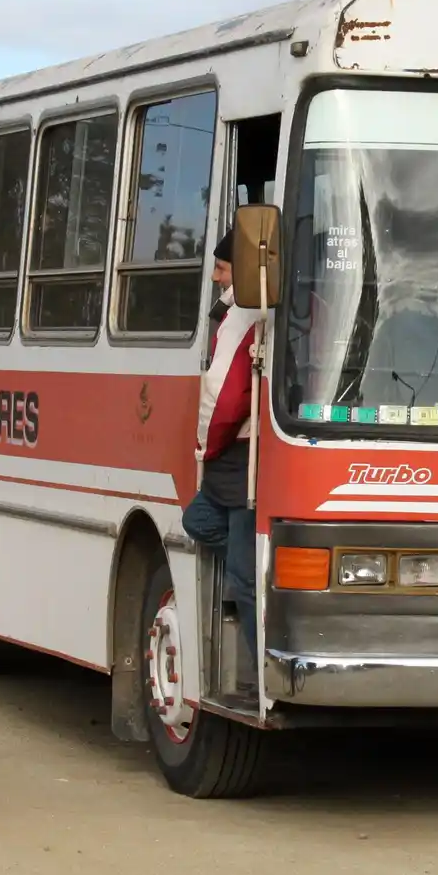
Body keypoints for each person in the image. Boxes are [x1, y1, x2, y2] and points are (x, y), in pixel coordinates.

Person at [182, 232, 260, 674]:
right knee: (199, 521)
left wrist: (204, 446)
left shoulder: (243, 315)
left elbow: (223, 396)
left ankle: (260, 662)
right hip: (239, 458)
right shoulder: (247, 310)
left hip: (238, 455)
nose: (215, 277)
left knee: (244, 579)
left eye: (223, 269)